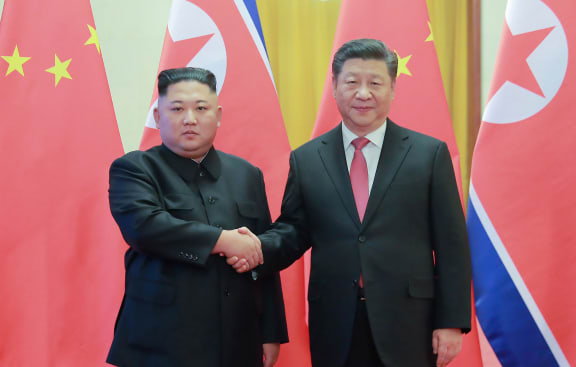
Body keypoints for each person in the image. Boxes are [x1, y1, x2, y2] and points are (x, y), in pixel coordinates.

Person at [234, 38, 472, 367]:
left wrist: (451, 321)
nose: (363, 94)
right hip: (335, 318)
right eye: (351, 82)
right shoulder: (308, 159)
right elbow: (294, 230)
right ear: (334, 87)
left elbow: (452, 243)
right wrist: (256, 247)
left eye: (375, 83)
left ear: (392, 88)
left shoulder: (428, 154)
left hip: (410, 320)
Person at [106, 67, 288, 367]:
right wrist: (223, 241)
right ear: (157, 115)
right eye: (177, 108)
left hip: (237, 340)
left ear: (217, 116)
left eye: (201, 108)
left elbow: (261, 254)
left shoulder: (246, 174)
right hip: (159, 342)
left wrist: (271, 331)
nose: (189, 119)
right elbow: (144, 227)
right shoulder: (135, 169)